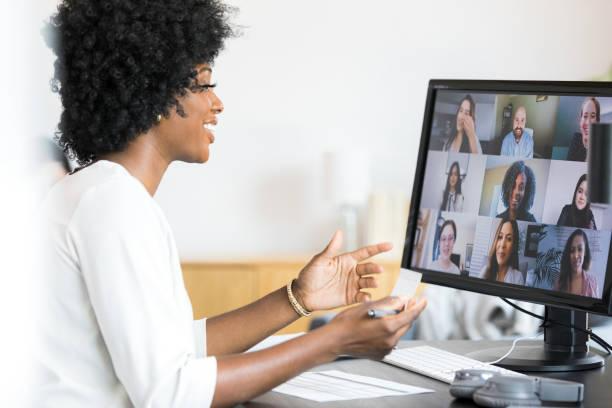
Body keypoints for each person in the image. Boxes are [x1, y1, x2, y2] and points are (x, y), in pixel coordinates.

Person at [37, 1, 428, 407]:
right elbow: (172, 392)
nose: (217, 103)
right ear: (155, 94)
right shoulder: (113, 206)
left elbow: (175, 349)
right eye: (204, 84)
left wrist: (298, 298)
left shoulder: (101, 195)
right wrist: (331, 341)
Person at [555, 229, 599, 298]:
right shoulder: (559, 280)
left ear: (585, 252)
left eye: (580, 249)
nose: (575, 256)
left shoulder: (593, 283)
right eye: (572, 250)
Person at [480, 219, 525, 285]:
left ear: (513, 246)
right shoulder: (485, 271)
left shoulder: (518, 278)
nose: (502, 245)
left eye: (509, 239)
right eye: (500, 237)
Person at [567, 97, 600, 162]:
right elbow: (569, 166)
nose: (588, 122)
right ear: (580, 120)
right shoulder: (576, 138)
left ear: (597, 121)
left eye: (593, 116)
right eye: (585, 116)